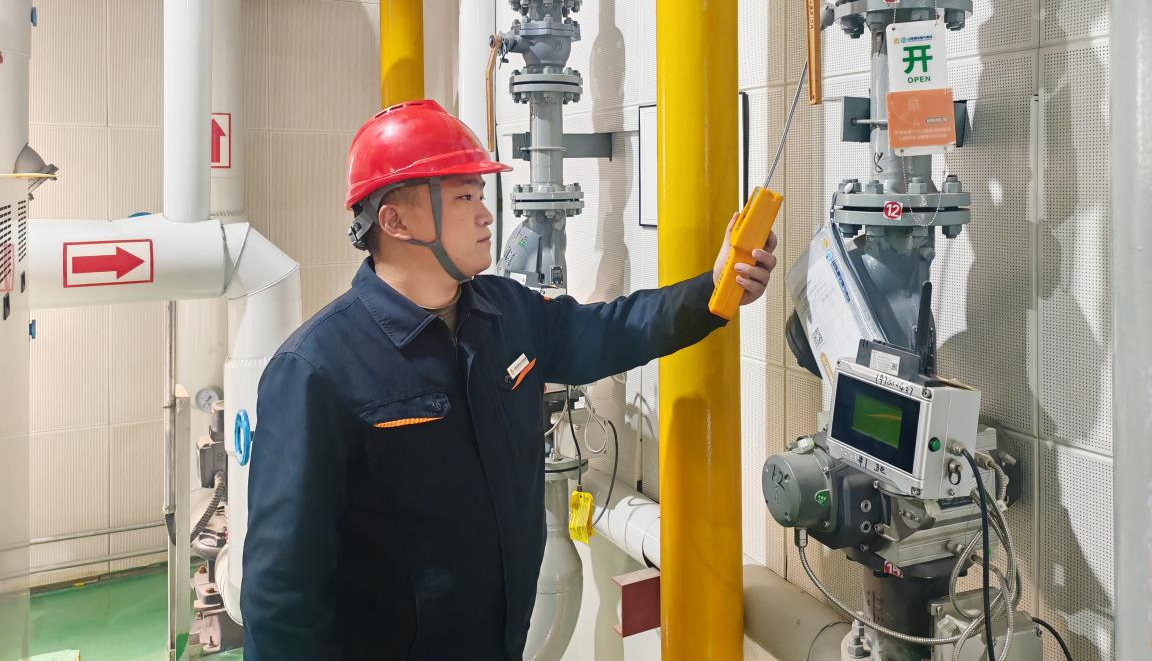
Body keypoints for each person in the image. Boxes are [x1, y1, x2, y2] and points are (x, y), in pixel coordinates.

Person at [241, 100, 777, 660]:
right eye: (463, 198)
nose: (486, 215)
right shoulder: (316, 370)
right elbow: (281, 594)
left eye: (480, 194)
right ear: (395, 222)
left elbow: (613, 330)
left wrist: (714, 291)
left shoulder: (505, 312)